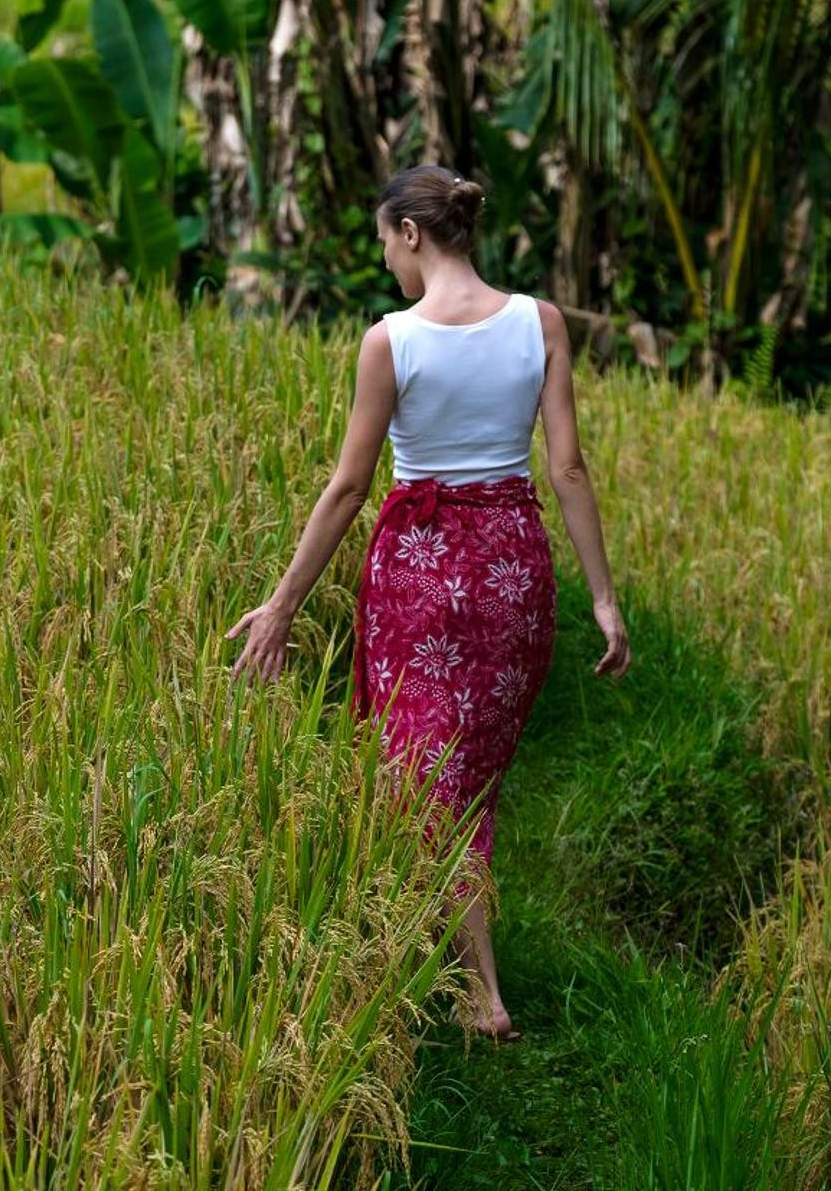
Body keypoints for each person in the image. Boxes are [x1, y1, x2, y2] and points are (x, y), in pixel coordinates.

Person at [224, 164, 630, 1043]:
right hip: (512, 573)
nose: (386, 263)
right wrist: (602, 599)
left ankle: (478, 991)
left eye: (384, 242)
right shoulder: (541, 322)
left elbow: (348, 487)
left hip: (418, 567)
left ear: (412, 233)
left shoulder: (391, 339)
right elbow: (566, 469)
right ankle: (459, 966)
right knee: (461, 779)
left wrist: (283, 605)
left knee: (427, 779)